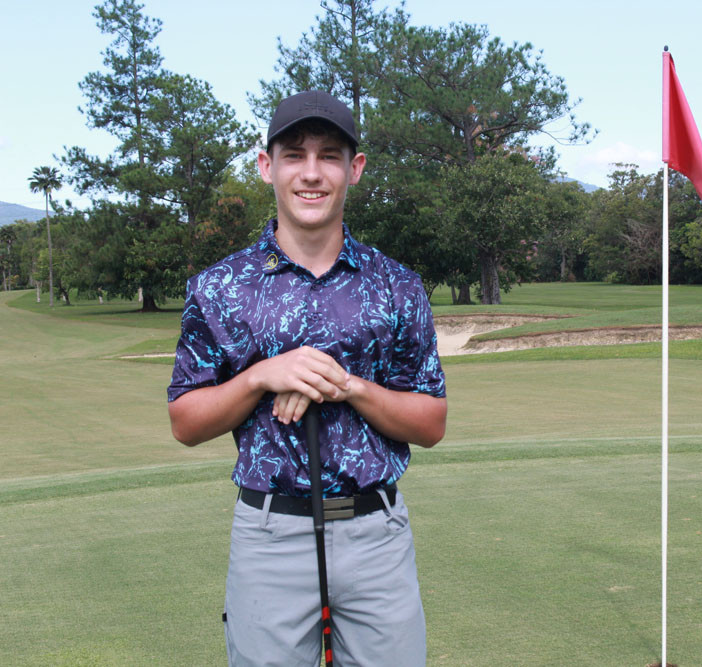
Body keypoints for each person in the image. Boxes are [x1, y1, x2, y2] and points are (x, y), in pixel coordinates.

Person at [167, 90, 447, 667]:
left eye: (330, 155)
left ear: (355, 169)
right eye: (294, 154)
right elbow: (185, 423)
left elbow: (431, 423)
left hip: (376, 534)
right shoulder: (219, 288)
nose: (312, 173)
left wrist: (348, 386)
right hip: (270, 535)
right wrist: (262, 376)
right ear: (267, 165)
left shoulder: (398, 285)